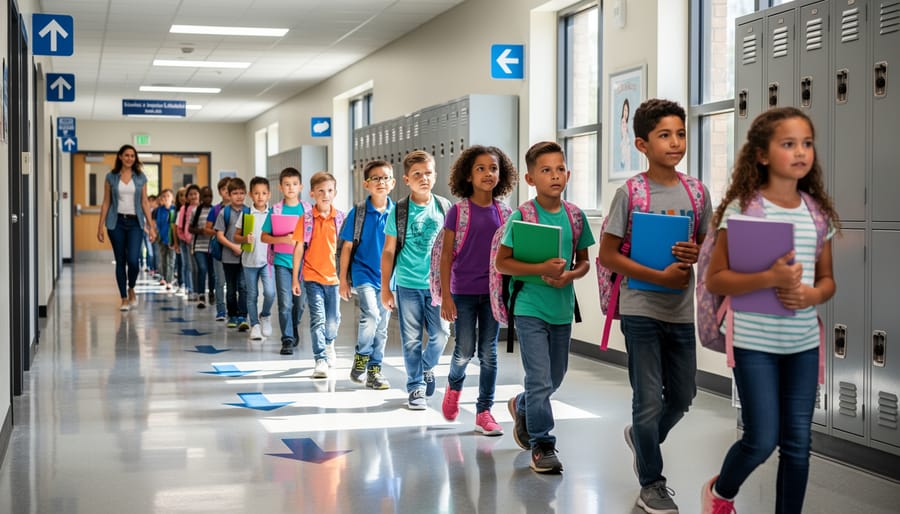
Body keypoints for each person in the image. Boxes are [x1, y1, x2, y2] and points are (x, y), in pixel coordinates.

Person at [701, 107, 839, 514]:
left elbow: (828, 280)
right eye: (788, 144)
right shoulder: (743, 209)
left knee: (798, 443)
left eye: (807, 143)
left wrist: (813, 296)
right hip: (754, 343)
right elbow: (716, 280)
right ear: (761, 155)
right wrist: (769, 279)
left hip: (802, 344)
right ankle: (721, 493)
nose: (801, 152)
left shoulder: (816, 215)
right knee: (761, 438)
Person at [597, 98, 712, 513]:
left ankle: (641, 437)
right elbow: (608, 254)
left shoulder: (697, 190)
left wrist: (696, 253)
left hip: (680, 311)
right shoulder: (631, 192)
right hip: (640, 306)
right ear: (642, 144)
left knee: (682, 396)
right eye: (665, 135)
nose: (676, 142)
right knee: (647, 397)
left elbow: (708, 245)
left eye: (680, 133)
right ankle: (652, 482)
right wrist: (657, 276)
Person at [496, 141, 595, 474]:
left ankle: (521, 405)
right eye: (546, 170)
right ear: (530, 177)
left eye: (560, 168)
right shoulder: (522, 216)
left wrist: (569, 276)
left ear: (568, 172)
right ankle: (542, 444)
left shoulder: (576, 216)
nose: (555, 175)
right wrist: (540, 270)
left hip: (561, 309)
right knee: (539, 379)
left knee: (555, 377)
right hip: (529, 307)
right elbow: (503, 263)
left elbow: (584, 262)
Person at [439, 145, 517, 436]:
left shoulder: (506, 212)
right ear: (468, 176)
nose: (488, 174)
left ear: (501, 174)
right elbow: (446, 256)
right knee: (464, 350)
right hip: (463, 292)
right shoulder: (457, 212)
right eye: (480, 169)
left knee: (489, 353)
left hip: (493, 294)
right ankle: (454, 385)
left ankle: (484, 411)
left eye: (493, 168)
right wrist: (446, 296)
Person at [381, 150, 452, 410]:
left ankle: (425, 368)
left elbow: (452, 250)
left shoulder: (445, 207)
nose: (424, 178)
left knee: (441, 333)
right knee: (411, 339)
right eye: (417, 174)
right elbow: (388, 251)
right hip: (408, 284)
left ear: (435, 175)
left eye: (428, 173)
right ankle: (415, 388)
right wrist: (385, 289)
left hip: (438, 286)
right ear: (406, 180)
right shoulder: (399, 211)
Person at [339, 160, 396, 390]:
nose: (380, 182)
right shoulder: (359, 212)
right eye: (375, 178)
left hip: (388, 278)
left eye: (385, 178)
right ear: (366, 184)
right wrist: (343, 279)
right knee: (371, 315)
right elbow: (347, 247)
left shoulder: (398, 212)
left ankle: (375, 371)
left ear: (392, 183)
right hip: (363, 273)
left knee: (382, 326)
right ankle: (362, 355)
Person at [292, 172, 344, 378]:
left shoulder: (340, 218)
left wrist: (347, 277)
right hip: (312, 277)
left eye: (330, 190)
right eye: (321, 191)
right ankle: (320, 359)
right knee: (318, 320)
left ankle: (330, 342)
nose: (326, 195)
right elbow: (298, 250)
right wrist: (295, 278)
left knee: (334, 320)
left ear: (335, 193)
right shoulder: (305, 220)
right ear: (312, 193)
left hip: (334, 278)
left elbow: (346, 249)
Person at [96, 144, 157, 311]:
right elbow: (106, 202)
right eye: (127, 155)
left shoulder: (140, 177)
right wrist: (100, 226)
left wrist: (151, 227)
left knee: (133, 260)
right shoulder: (111, 177)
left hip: (135, 223)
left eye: (132, 155)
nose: (130, 158)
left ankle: (132, 288)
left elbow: (144, 202)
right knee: (121, 261)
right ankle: (123, 298)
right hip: (116, 224)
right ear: (120, 157)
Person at [260, 167, 308, 355]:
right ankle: (287, 338)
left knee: (300, 303)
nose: (291, 188)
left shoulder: (307, 209)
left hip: (304, 263)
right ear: (280, 187)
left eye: (294, 184)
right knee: (285, 303)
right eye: (287, 185)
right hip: (282, 262)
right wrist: (283, 239)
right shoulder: (276, 210)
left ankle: (294, 327)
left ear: (301, 187)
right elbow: (264, 237)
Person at [235, 177, 275, 341]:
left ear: (269, 195)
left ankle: (265, 315)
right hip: (249, 262)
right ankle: (255, 325)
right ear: (251, 194)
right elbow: (235, 236)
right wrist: (244, 239)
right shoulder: (245, 214)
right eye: (257, 193)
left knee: (270, 292)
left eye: (264, 193)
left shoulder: (273, 213)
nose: (260, 196)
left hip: (267, 261)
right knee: (251, 295)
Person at [214, 178, 250, 330]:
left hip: (245, 257)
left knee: (243, 286)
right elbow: (219, 235)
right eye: (235, 193)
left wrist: (242, 247)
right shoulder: (224, 213)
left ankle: (243, 315)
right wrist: (234, 247)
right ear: (228, 195)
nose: (239, 196)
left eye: (242, 193)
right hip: (228, 257)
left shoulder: (249, 211)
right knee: (230, 288)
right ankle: (232, 315)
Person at [205, 177, 232, 320]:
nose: (227, 192)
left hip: (235, 250)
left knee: (235, 282)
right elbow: (207, 229)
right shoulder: (215, 210)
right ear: (220, 192)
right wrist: (219, 232)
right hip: (220, 250)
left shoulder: (242, 209)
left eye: (230, 188)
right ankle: (221, 310)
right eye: (224, 189)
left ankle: (235, 310)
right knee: (220, 280)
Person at [189, 186, 215, 309]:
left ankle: (211, 292)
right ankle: (201, 295)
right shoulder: (196, 211)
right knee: (202, 269)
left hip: (211, 247)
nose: (208, 198)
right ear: (201, 197)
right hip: (199, 246)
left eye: (210, 196)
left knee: (212, 272)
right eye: (205, 196)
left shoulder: (215, 210)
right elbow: (190, 228)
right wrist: (201, 231)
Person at [176, 184, 200, 301]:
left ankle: (198, 290)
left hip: (199, 242)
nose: (193, 196)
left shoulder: (201, 208)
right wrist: (184, 238)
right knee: (189, 266)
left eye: (195, 193)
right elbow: (179, 227)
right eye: (190, 194)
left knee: (198, 267)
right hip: (186, 242)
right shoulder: (184, 209)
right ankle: (190, 289)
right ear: (187, 197)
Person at [153, 189, 177, 291]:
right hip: (161, 238)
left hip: (172, 238)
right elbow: (156, 224)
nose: (166, 198)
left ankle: (169, 281)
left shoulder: (174, 209)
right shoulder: (159, 210)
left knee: (171, 260)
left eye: (168, 196)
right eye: (164, 196)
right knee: (163, 259)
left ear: (172, 198)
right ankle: (163, 277)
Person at [620, 98, 632, 171]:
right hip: (625, 149)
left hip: (627, 149)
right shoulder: (623, 121)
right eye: (624, 110)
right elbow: (624, 138)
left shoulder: (626, 123)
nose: (626, 112)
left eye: (627, 110)